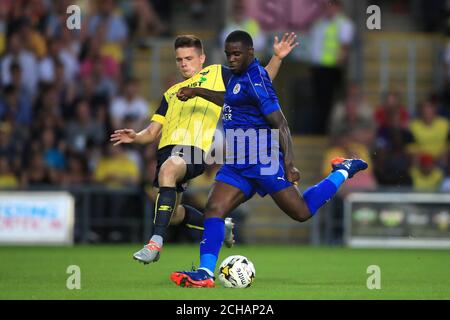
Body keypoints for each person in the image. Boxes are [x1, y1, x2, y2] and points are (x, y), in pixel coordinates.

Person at [170, 30, 367, 288]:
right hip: (237, 164)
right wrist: (199, 92)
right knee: (214, 209)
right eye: (228, 53)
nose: (231, 58)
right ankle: (206, 274)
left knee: (301, 212)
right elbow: (230, 98)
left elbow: (281, 124)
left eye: (237, 54)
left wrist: (289, 163)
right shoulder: (235, 77)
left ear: (250, 53)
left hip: (264, 161)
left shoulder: (257, 82)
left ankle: (342, 169)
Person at [110, 33, 299, 264]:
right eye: (179, 59)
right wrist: (135, 136)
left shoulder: (217, 74)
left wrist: (277, 58)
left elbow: (258, 82)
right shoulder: (170, 93)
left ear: (202, 58)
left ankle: (155, 243)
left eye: (189, 58)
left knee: (168, 171)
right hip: (167, 153)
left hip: (193, 150)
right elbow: (152, 133)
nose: (184, 63)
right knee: (173, 214)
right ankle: (222, 226)